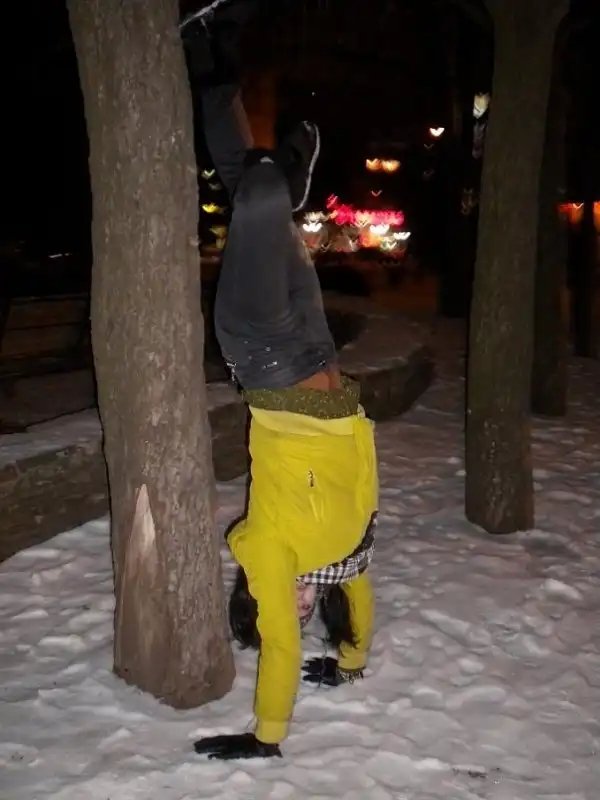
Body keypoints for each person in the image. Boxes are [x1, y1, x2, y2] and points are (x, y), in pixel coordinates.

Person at [180, 0, 379, 761]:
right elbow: (357, 595)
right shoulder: (347, 553)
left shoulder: (265, 550)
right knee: (252, 194)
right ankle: (212, 51)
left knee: (258, 198)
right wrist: (351, 661)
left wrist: (266, 736)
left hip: (263, 356)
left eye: (277, 609)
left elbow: (282, 648)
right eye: (305, 610)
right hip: (319, 353)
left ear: (254, 593)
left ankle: (280, 167)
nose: (294, 606)